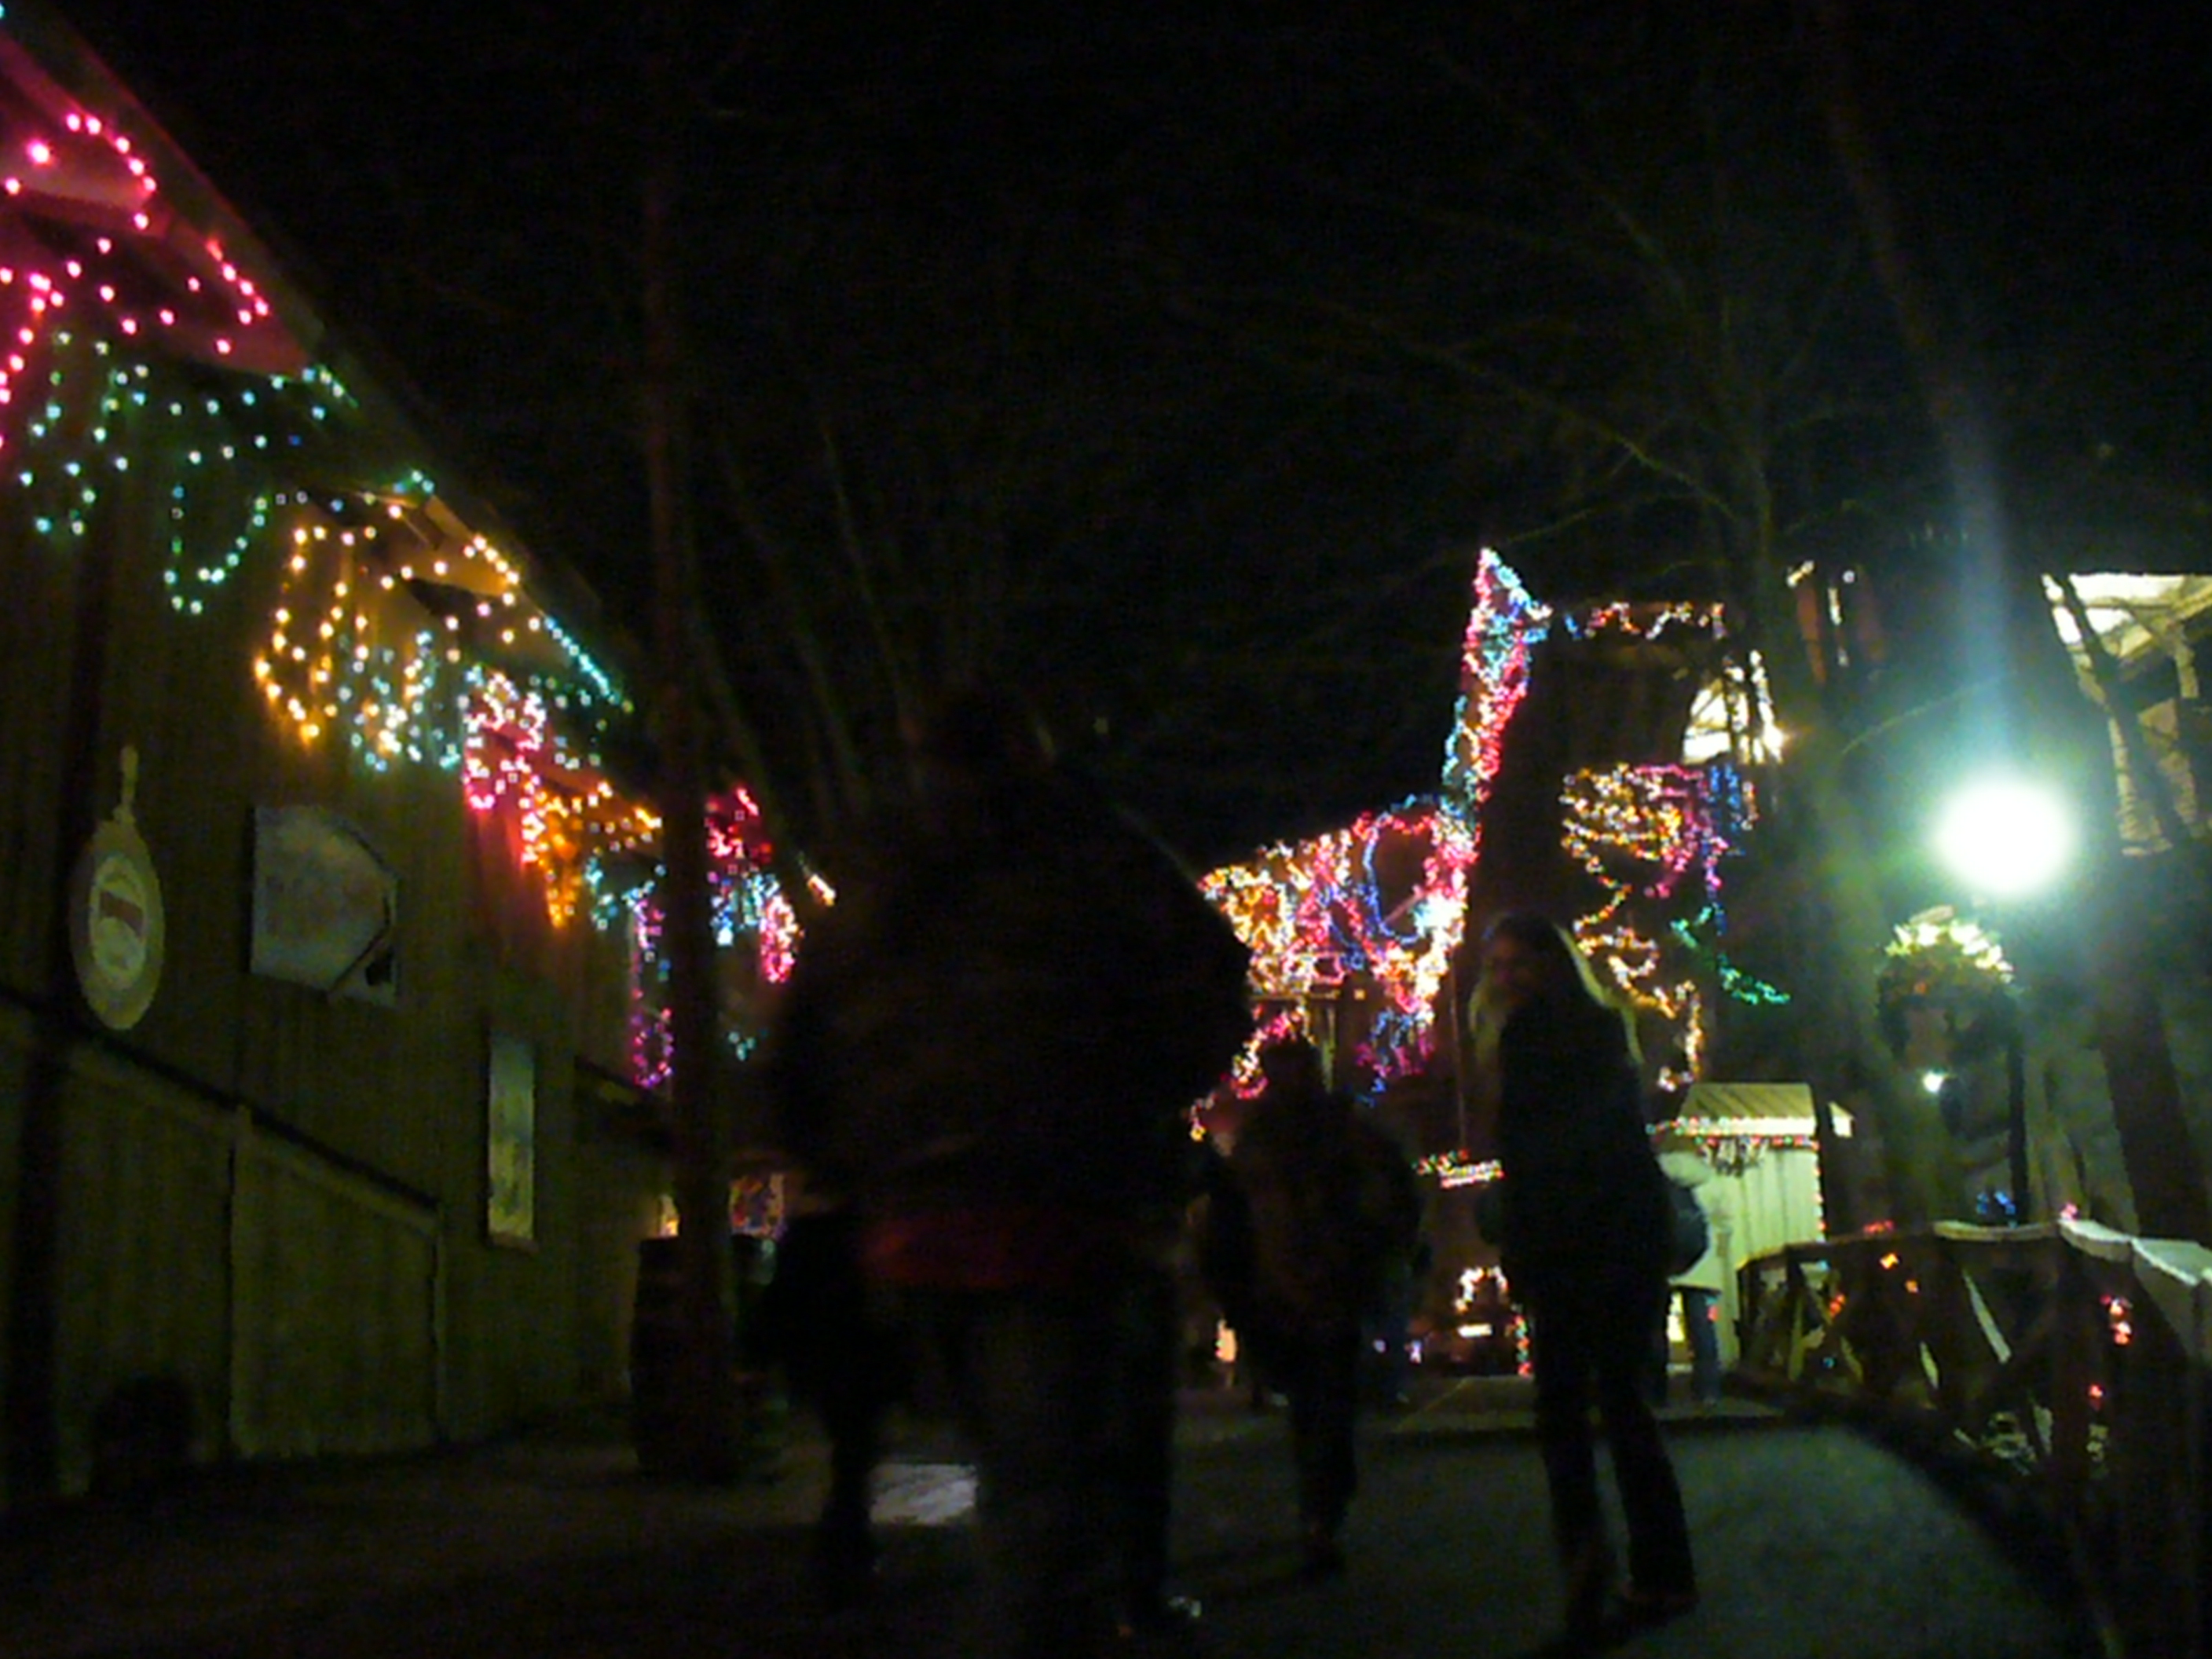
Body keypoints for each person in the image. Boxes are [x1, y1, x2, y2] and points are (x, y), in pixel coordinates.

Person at [764, 681, 1252, 1659]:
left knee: (1014, 1467)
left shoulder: (887, 869)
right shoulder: (1092, 851)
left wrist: (847, 1156)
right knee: (1046, 1490)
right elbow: (1210, 978)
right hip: (1064, 1195)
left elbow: (801, 1032)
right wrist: (1144, 1101)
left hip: (916, 1211)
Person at [1470, 912, 1697, 1639]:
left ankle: (1589, 1559)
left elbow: (1539, 1154)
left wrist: (1522, 1235)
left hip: (1579, 1240)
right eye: (1498, 966)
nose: (1507, 978)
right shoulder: (1601, 1031)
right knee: (1620, 1405)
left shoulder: (1531, 1039)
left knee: (1569, 1411)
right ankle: (1659, 1569)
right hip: (1619, 1235)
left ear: (1552, 965)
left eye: (1519, 963)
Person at [1225, 1035, 1423, 1580]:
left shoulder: (1289, 1136)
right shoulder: (1330, 1131)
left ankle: (1321, 1510)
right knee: (1322, 1403)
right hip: (1312, 1280)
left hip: (1312, 1280)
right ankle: (1322, 1509)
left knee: (1319, 1404)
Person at [1651, 1148, 1727, 1409]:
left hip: (1661, 1265)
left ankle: (1656, 1393)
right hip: (1703, 1267)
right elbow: (1726, 1224)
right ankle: (1708, 1391)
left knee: (1655, 1329)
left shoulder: (1654, 1180)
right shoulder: (1710, 1179)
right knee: (1703, 1330)